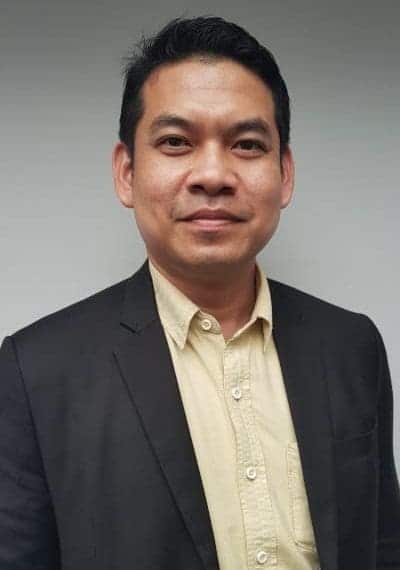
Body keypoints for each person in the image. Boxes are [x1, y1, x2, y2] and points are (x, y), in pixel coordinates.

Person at [0, 16, 399, 570]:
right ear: (126, 172)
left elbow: (381, 545)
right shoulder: (36, 371)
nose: (213, 174)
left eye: (247, 144)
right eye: (176, 142)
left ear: (284, 174)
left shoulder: (352, 345)